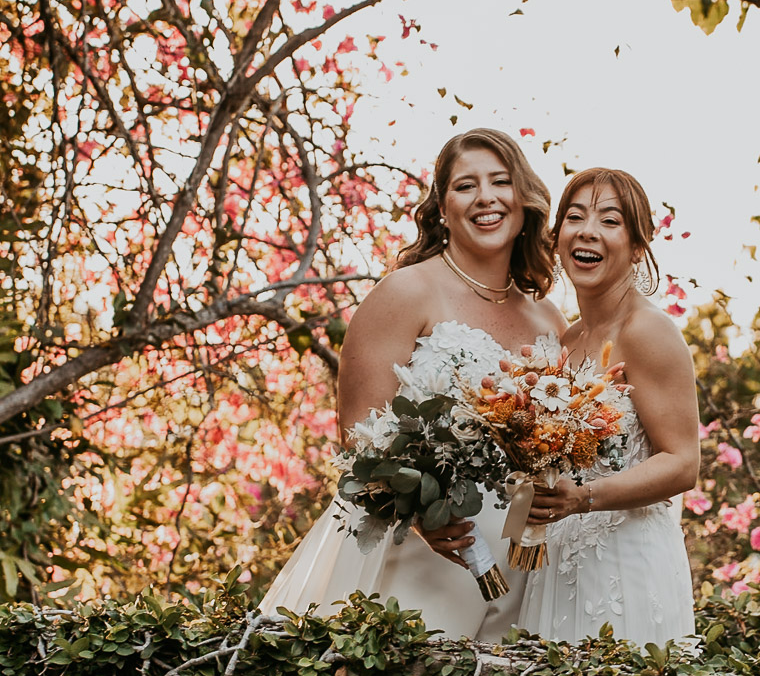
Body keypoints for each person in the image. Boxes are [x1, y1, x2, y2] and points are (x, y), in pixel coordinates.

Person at [260, 129, 566, 637]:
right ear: (442, 209)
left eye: (500, 182)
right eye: (466, 186)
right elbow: (358, 435)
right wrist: (423, 515)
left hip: (521, 566)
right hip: (421, 549)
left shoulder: (549, 318)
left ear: (523, 199)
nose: (486, 198)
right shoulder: (405, 292)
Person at [516, 168, 700, 645]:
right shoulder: (568, 340)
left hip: (626, 562)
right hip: (559, 562)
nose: (588, 230)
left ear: (638, 247)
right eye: (575, 217)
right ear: (558, 240)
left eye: (609, 220)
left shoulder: (647, 331)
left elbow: (682, 464)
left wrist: (583, 498)